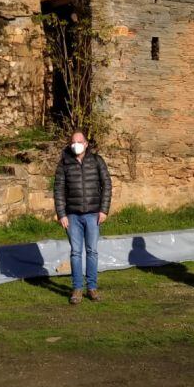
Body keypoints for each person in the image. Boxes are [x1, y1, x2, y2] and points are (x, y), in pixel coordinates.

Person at [54, 130, 113, 304]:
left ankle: (92, 287)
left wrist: (104, 210)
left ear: (86, 144)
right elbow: (58, 190)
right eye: (73, 142)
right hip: (72, 216)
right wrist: (61, 214)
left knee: (92, 251)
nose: (75, 145)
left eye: (79, 141)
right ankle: (77, 288)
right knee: (75, 252)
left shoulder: (97, 161)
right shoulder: (64, 163)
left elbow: (107, 185)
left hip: (93, 214)